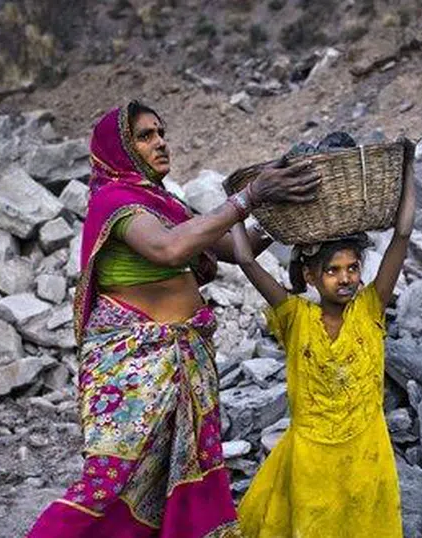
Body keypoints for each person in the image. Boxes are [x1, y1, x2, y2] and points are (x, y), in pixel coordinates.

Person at [26, 100, 320, 538]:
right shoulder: (115, 200)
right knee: (108, 482)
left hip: (183, 360)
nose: (160, 142)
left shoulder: (163, 202)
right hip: (135, 363)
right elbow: (169, 250)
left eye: (161, 133)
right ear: (119, 149)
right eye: (145, 136)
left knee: (178, 474)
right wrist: (248, 197)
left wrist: (283, 213)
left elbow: (228, 248)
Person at [231, 139, 417, 537]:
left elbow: (401, 236)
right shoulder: (295, 316)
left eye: (352, 268)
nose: (346, 278)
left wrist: (408, 166)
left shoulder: (370, 308)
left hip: (366, 453)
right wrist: (237, 201)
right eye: (333, 270)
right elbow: (246, 258)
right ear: (312, 276)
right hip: (310, 457)